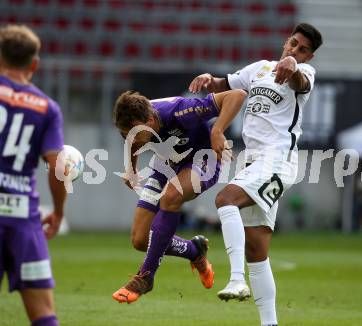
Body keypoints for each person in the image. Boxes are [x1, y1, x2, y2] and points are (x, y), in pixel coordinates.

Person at [189, 23, 323, 326]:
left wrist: (294, 67)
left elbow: (301, 82)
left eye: (303, 49)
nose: (295, 50)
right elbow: (226, 84)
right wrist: (210, 80)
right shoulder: (260, 68)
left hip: (278, 161)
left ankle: (237, 279)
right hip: (253, 164)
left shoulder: (306, 74)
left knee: (225, 199)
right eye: (293, 44)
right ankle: (270, 323)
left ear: (309, 57)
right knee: (257, 250)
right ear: (286, 41)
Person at [111, 88, 246, 303]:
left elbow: (237, 94)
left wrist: (217, 131)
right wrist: (131, 168)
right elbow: (131, 139)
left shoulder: (181, 111)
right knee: (139, 239)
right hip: (167, 164)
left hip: (203, 159)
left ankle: (145, 277)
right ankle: (194, 250)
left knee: (171, 197)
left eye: (135, 132)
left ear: (149, 120)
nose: (132, 138)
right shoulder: (137, 123)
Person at [0, 25, 67, 326]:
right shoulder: (47, 108)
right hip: (24, 221)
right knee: (44, 317)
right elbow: (58, 166)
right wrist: (58, 211)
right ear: (34, 64)